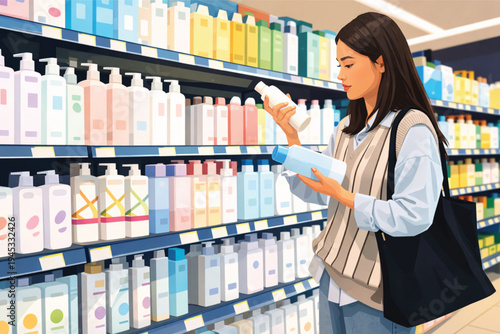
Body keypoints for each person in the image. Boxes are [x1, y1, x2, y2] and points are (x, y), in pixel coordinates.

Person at [264, 12, 448, 334]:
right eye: (339, 64)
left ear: (381, 62)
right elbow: (316, 190)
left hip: (378, 291)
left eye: (348, 64)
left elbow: (415, 215)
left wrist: (345, 196)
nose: (340, 75)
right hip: (330, 276)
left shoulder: (412, 129)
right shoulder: (347, 129)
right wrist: (291, 139)